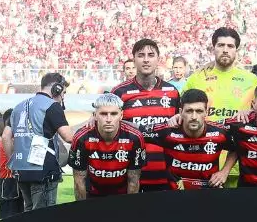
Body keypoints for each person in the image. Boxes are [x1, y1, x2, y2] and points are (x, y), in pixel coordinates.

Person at [184, 27, 257, 187]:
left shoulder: (251, 80)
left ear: (237, 50)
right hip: (201, 162)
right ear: (213, 48)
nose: (225, 50)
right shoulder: (196, 79)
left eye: (230, 46)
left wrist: (252, 112)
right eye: (221, 45)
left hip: (240, 162)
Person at [111, 38, 182, 192]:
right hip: (129, 178)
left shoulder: (173, 92)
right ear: (134, 59)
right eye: (141, 55)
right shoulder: (119, 92)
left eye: (151, 55)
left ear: (158, 59)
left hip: (166, 177)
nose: (146, 60)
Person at [1, 73, 75, 211]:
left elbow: (5, 137)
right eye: (63, 92)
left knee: (28, 212)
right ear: (56, 89)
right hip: (43, 171)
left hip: (21, 170)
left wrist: (14, 161)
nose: (63, 96)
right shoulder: (52, 106)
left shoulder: (18, 106)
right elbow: (69, 137)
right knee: (43, 217)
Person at [148, 88, 232, 190]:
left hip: (209, 195)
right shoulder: (167, 131)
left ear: (207, 112)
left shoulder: (220, 133)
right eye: (189, 111)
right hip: (175, 196)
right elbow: (134, 131)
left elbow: (237, 147)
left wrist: (224, 171)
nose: (194, 117)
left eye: (199, 111)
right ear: (181, 112)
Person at [69, 93, 145, 199]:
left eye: (114, 114)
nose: (108, 119)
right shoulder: (81, 138)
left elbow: (134, 179)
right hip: (92, 195)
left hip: (121, 197)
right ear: (95, 115)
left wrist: (129, 210)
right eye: (103, 114)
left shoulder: (135, 137)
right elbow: (78, 181)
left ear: (121, 115)